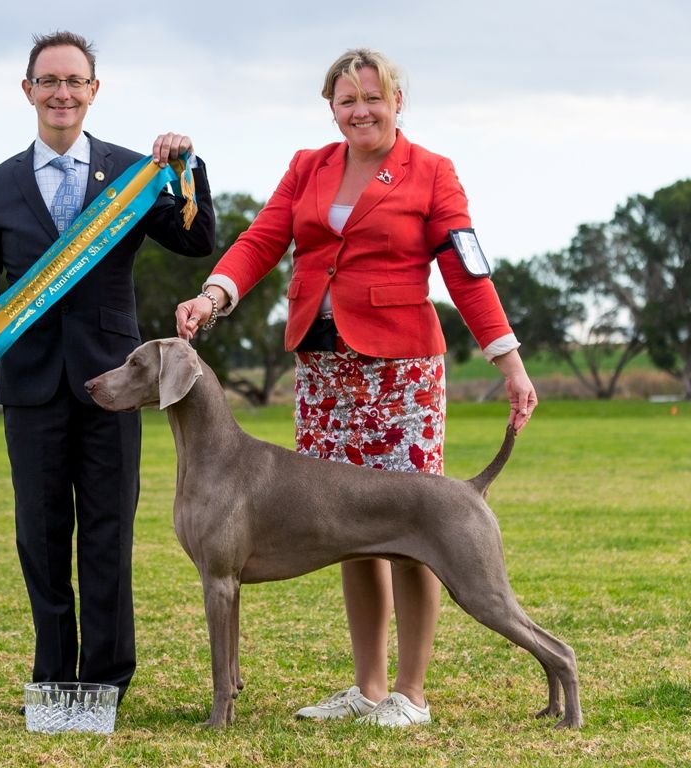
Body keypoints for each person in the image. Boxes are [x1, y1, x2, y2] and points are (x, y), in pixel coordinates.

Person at [175, 48, 536, 728]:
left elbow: (466, 273)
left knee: (415, 522)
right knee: (346, 524)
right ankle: (368, 688)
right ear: (331, 107)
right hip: (324, 373)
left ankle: (411, 694)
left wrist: (508, 361)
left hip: (401, 373)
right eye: (346, 100)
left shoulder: (432, 171)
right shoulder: (308, 166)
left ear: (398, 101)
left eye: (373, 97)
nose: (360, 110)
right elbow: (261, 240)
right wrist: (212, 296)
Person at [0, 31, 215, 703]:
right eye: (49, 81)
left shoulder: (135, 172)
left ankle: (106, 682)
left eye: (74, 81)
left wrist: (189, 168)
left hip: (114, 382)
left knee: (109, 535)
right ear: (27, 90)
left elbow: (197, 240)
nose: (62, 92)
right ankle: (54, 680)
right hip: (30, 386)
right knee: (41, 537)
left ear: (94, 90)